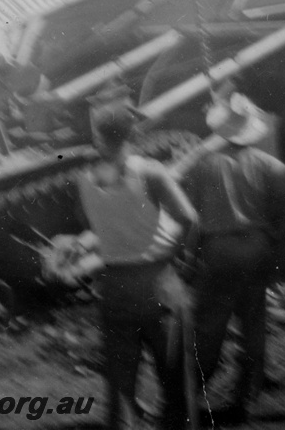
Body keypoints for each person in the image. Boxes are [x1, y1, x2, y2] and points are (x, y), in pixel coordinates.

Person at [76, 90, 199, 430]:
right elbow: (189, 219)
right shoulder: (152, 172)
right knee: (175, 379)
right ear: (132, 134)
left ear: (98, 136)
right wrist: (179, 256)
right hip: (158, 281)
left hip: (114, 285)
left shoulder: (85, 180)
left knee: (121, 384)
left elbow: (98, 229)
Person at [180, 91, 285, 425]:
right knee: (253, 321)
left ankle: (192, 394)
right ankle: (245, 398)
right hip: (257, 247)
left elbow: (192, 217)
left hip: (220, 249)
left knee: (209, 324)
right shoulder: (269, 165)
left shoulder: (203, 166)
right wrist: (277, 235)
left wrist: (189, 255)